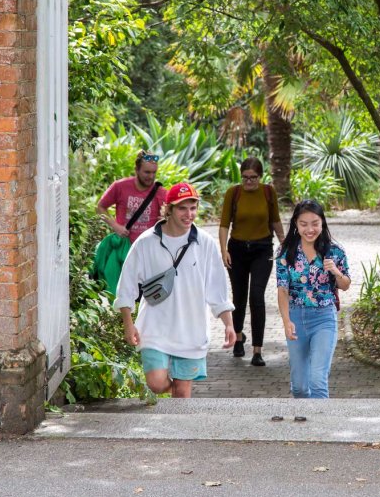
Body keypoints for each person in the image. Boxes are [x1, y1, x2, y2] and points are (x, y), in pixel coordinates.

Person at [114, 183, 236, 398]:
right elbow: (127, 285)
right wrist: (128, 323)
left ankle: (180, 431)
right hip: (154, 327)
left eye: (193, 208)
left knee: (182, 390)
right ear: (168, 209)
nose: (189, 214)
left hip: (191, 330)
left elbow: (217, 288)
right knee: (156, 383)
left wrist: (228, 324)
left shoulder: (204, 243)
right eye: (182, 208)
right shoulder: (146, 242)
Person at [276, 200, 350, 398]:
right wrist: (286, 321)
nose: (310, 229)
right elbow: (282, 289)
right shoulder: (285, 252)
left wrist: (335, 271)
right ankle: (305, 423)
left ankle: (319, 427)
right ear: (295, 225)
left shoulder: (335, 251)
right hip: (296, 317)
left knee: (318, 381)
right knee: (299, 387)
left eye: (315, 223)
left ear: (322, 223)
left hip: (324, 317)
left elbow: (345, 285)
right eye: (304, 224)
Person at [219, 158, 285, 367]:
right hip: (237, 249)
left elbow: (275, 220)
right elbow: (223, 225)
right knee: (239, 296)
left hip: (262, 248)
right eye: (245, 178)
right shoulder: (233, 193)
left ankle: (257, 350)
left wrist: (285, 244)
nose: (249, 182)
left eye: (253, 178)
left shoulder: (268, 192)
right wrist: (223, 251)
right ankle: (238, 337)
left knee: (257, 296)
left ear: (260, 176)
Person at [97, 150, 167, 244]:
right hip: (124, 246)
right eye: (147, 172)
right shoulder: (120, 186)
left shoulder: (161, 192)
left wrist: (166, 221)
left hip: (148, 247)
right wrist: (115, 226)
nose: (151, 176)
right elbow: (100, 207)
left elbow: (171, 218)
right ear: (136, 170)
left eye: (154, 172)